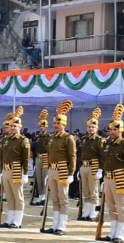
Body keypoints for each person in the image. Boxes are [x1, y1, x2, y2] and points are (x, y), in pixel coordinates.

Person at [99, 104, 124, 243]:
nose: (112, 132)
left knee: (121, 207)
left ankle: (120, 233)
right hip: (109, 178)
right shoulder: (107, 144)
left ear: (121, 130)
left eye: (115, 129)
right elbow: (106, 162)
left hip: (120, 178)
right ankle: (112, 231)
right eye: (111, 129)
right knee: (111, 206)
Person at [42, 101, 77, 235]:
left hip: (62, 170)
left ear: (64, 124)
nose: (56, 125)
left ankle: (61, 225)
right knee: (55, 198)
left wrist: (70, 173)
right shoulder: (52, 138)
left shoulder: (68, 138)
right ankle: (55, 223)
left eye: (58, 123)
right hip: (52, 170)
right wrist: (48, 171)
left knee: (63, 199)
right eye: (55, 123)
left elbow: (72, 156)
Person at [0, 108, 30, 228]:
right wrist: (1, 171)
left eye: (15, 126)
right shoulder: (5, 140)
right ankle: (10, 218)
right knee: (10, 196)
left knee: (18, 196)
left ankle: (17, 221)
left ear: (20, 127)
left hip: (16, 170)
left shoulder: (23, 140)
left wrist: (25, 173)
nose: (13, 128)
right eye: (11, 126)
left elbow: (25, 158)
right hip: (6, 170)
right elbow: (2, 156)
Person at [77, 109, 104, 221]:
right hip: (84, 166)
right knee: (86, 191)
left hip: (94, 167)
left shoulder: (99, 140)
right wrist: (79, 169)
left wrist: (100, 170)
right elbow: (80, 154)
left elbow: (102, 156)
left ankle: (93, 213)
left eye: (93, 127)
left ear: (97, 128)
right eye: (89, 127)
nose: (90, 128)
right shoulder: (84, 140)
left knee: (94, 191)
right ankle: (86, 212)